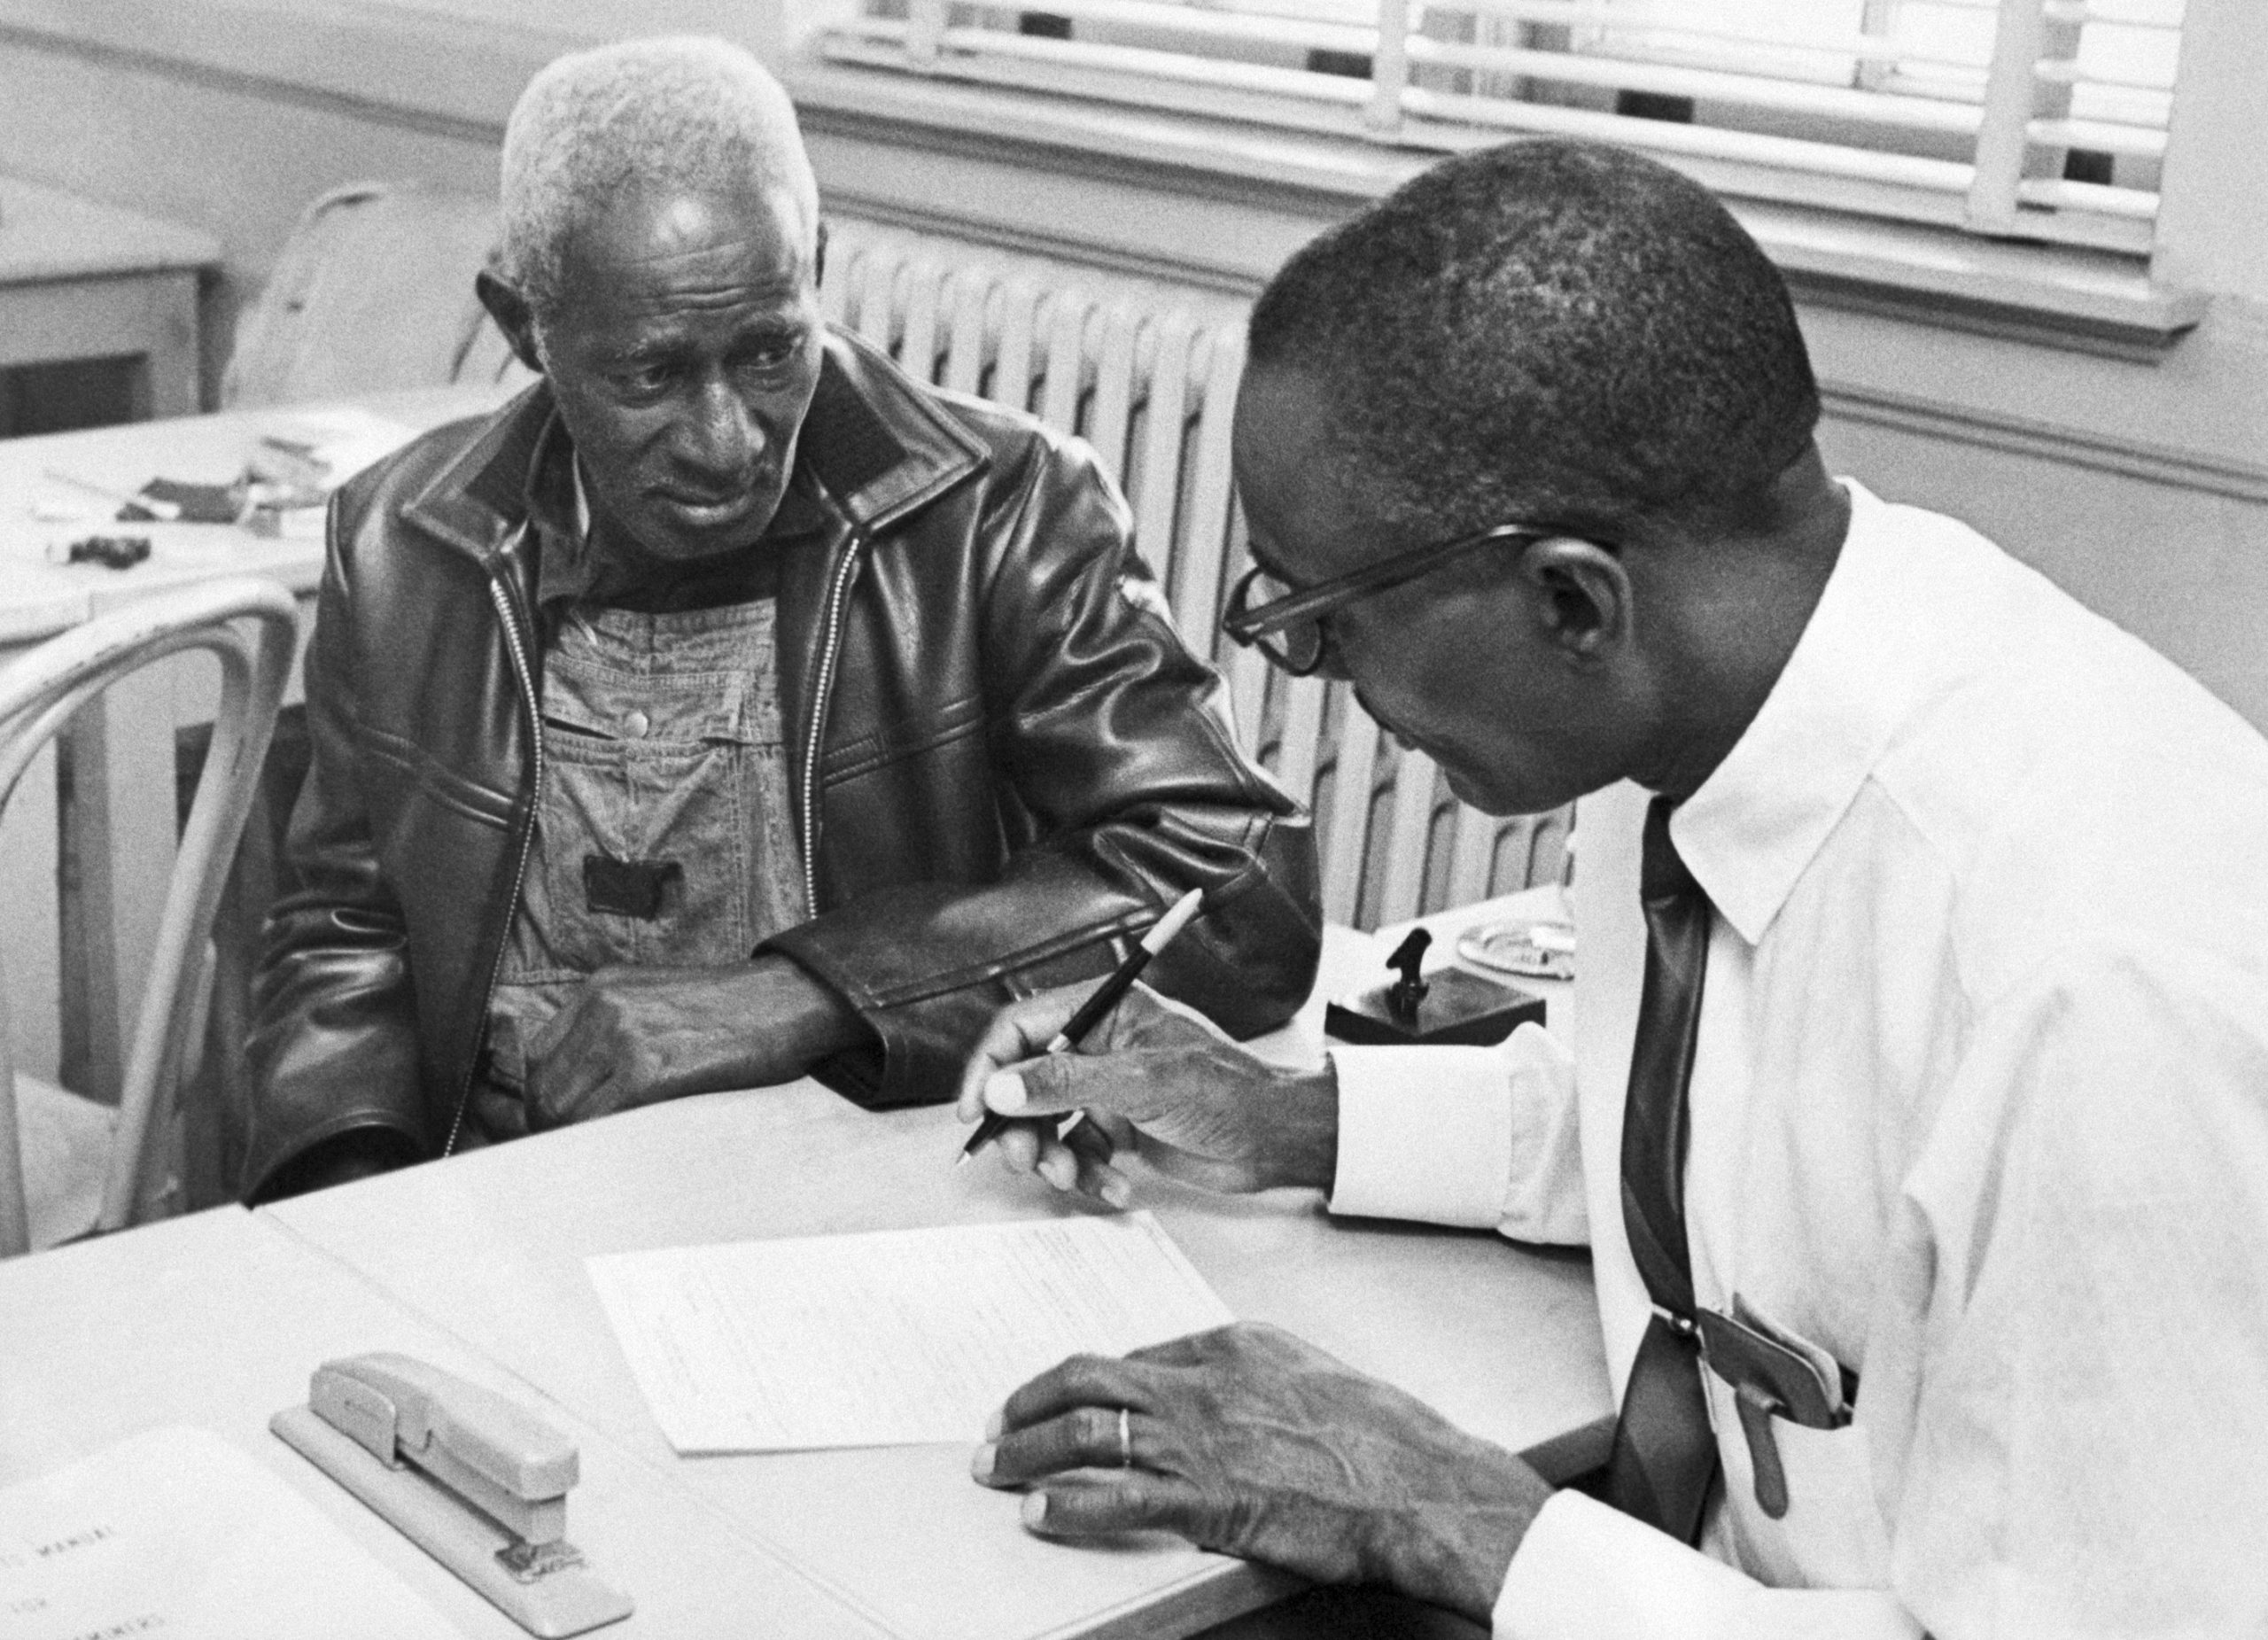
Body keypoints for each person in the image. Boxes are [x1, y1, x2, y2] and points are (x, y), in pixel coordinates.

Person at [957, 138, 2268, 1635]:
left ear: (1572, 596)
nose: (1309, 670)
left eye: (1320, 618)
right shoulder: (1701, 714)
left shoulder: (2093, 994)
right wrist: (1293, 1120)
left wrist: (1450, 1510)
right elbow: (1748, 1156)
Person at [238, 37, 1320, 1203]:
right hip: (503, 1191)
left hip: (871, 1188)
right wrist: (362, 1202)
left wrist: (805, 995)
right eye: (649, 378)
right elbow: (343, 934)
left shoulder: (1002, 507)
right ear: (522, 325)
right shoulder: (402, 539)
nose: (728, 441)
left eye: (769, 350)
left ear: (813, 265)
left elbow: (1241, 889)